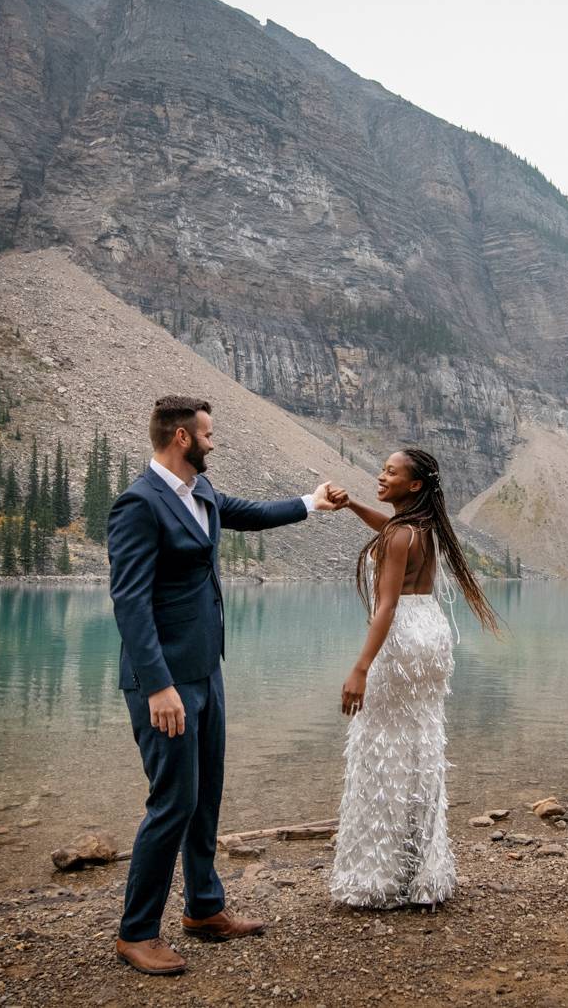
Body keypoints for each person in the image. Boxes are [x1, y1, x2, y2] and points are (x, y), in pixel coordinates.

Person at [108, 395, 344, 975]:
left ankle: (203, 909)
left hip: (207, 670)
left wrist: (312, 503)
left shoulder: (204, 494)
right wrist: (158, 685)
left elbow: (252, 513)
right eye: (209, 435)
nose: (215, 443)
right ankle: (136, 933)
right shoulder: (139, 504)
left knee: (206, 792)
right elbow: (130, 602)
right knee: (173, 801)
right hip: (164, 682)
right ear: (183, 438)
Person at [326, 447, 499, 909]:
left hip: (400, 637)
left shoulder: (399, 535)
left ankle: (379, 877)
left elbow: (385, 606)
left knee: (381, 750)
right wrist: (351, 505)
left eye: (390, 472)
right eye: (381, 469)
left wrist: (360, 667)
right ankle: (422, 871)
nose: (380, 476)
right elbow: (390, 530)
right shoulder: (423, 529)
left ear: (415, 485)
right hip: (431, 633)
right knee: (419, 744)